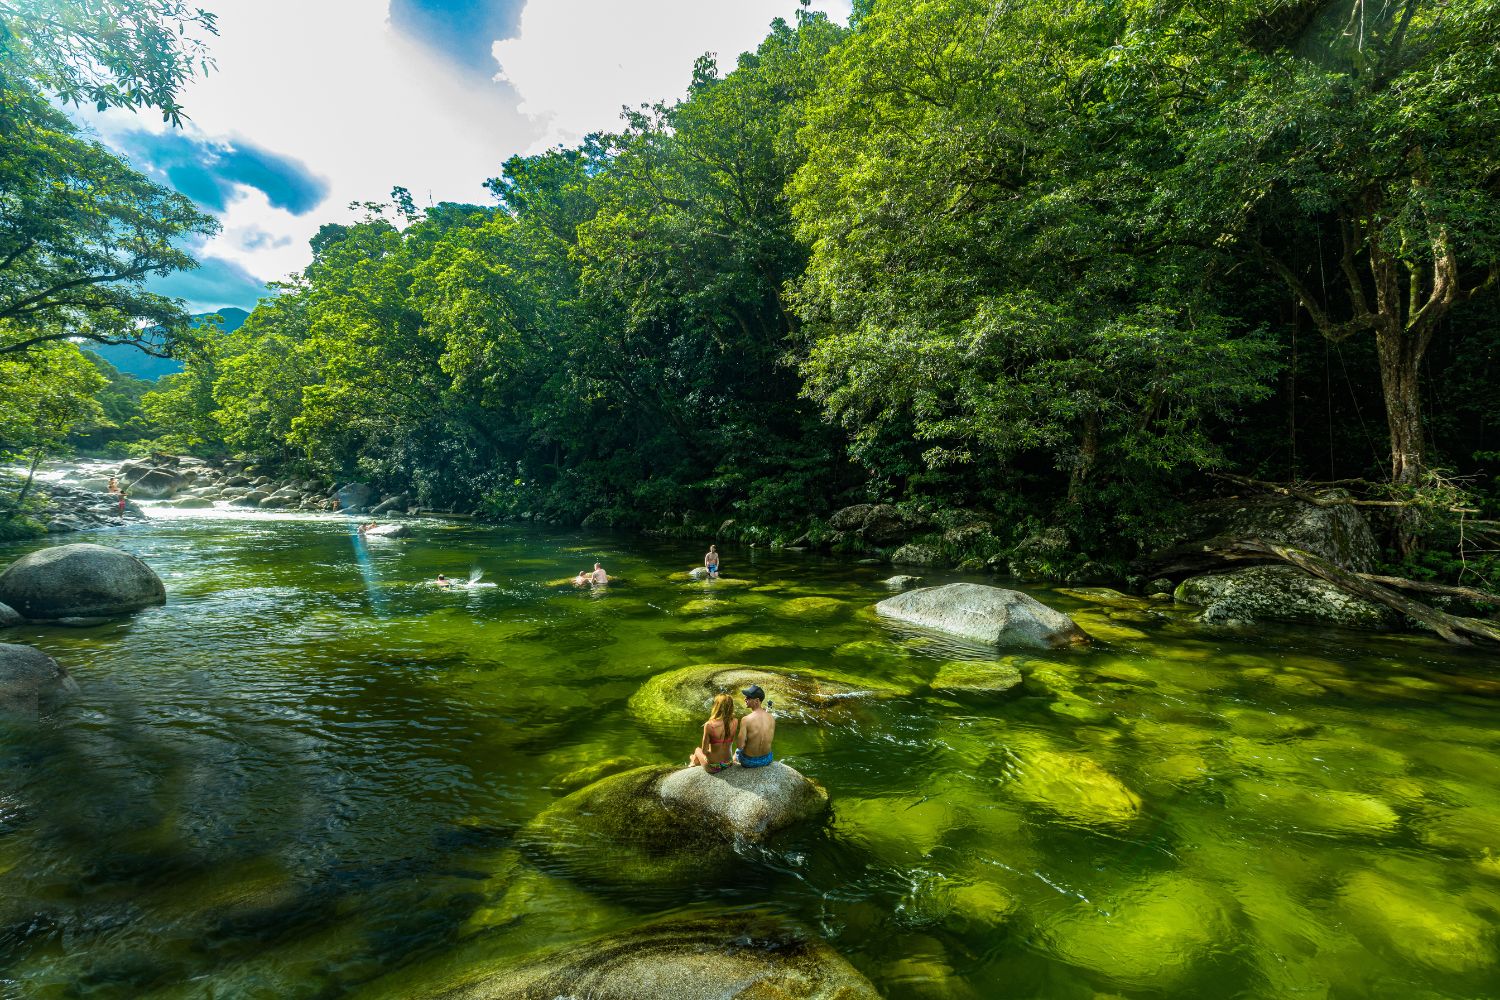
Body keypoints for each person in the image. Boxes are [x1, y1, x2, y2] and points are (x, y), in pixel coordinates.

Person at [688, 693, 738, 774]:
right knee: (697, 754)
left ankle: (693, 762)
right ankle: (693, 760)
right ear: (731, 707)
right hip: (728, 763)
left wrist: (710, 756)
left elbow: (704, 751)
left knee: (697, 750)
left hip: (714, 767)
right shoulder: (735, 721)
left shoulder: (709, 725)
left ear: (717, 706)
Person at [734, 684, 776, 768]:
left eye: (748, 697)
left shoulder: (746, 719)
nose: (745, 699)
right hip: (767, 759)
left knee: (737, 751)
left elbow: (740, 745)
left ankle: (732, 765)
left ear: (757, 700)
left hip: (749, 761)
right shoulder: (771, 718)